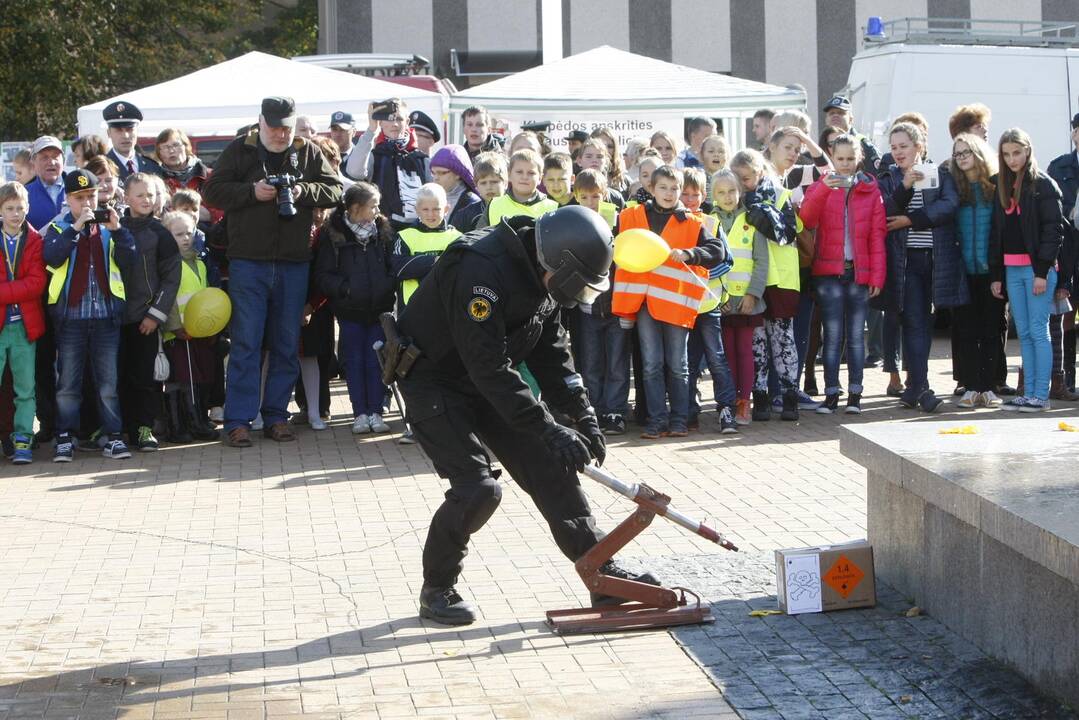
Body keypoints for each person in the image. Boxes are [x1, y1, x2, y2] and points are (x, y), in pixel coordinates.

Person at [396, 204, 655, 624]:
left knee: (552, 468)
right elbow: (489, 366)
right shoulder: (480, 271)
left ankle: (601, 575)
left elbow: (552, 353)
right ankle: (437, 589)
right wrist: (549, 429)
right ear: (558, 260)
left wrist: (581, 414)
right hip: (434, 380)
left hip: (487, 379)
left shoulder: (544, 273)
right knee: (478, 489)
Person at [202, 96, 343, 447]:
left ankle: (277, 416)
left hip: (294, 263)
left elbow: (336, 188)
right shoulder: (240, 149)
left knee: (285, 344)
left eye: (287, 128)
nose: (281, 134)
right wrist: (252, 192)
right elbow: (212, 191)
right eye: (275, 127)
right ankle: (238, 421)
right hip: (248, 263)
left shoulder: (307, 150)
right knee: (246, 343)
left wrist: (301, 190)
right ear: (261, 122)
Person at [612, 165, 729, 439]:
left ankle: (679, 420)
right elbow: (612, 245)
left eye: (674, 188)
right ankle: (656, 421)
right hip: (643, 304)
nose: (669, 193)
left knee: (678, 365)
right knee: (651, 365)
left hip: (675, 304)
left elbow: (718, 251)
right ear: (651, 189)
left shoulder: (693, 221)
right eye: (663, 187)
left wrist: (690, 254)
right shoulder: (629, 216)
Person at [42, 169, 137, 462]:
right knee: (67, 384)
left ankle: (113, 436)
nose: (86, 203)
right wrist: (76, 228)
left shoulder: (110, 228)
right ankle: (65, 437)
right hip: (71, 318)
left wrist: (119, 230)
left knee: (108, 383)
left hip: (105, 316)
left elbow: (129, 259)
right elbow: (52, 257)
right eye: (79, 198)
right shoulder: (59, 228)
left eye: (91, 196)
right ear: (68, 200)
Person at [874, 122, 967, 413]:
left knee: (926, 324)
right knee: (914, 322)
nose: (899, 152)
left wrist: (912, 220)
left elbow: (950, 205)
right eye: (894, 147)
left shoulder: (940, 174)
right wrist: (904, 186)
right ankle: (922, 388)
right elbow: (885, 213)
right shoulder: (889, 178)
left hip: (938, 258)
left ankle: (914, 388)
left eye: (904, 146)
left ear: (919, 146)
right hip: (907, 262)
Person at [799, 135, 887, 415]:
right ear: (831, 157)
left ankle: (855, 395)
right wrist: (824, 188)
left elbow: (877, 235)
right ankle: (831, 394)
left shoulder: (870, 190)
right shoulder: (821, 186)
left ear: (858, 158)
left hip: (858, 273)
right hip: (828, 273)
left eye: (850, 159)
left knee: (857, 337)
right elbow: (807, 220)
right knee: (832, 335)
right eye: (840, 159)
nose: (846, 165)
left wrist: (876, 276)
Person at [312, 182, 396, 434]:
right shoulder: (333, 235)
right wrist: (345, 289)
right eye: (373, 206)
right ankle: (360, 412)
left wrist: (386, 285)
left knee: (378, 362)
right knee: (355, 362)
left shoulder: (384, 233)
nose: (377, 210)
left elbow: (393, 266)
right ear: (356, 208)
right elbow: (323, 275)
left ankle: (377, 412)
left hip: (380, 311)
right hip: (350, 313)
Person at [991, 128, 1065, 412]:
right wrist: (997, 275)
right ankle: (1029, 393)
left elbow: (1053, 231)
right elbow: (999, 234)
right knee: (1024, 332)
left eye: (1017, 152)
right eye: (1007, 154)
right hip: (1012, 270)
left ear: (1028, 150)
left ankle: (1040, 396)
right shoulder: (1001, 184)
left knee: (1038, 329)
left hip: (1037, 271)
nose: (1012, 159)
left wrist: (1042, 272)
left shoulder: (1043, 185)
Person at [729, 149, 801, 422]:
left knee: (783, 340)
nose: (743, 184)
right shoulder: (736, 202)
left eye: (746, 178)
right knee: (756, 342)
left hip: (781, 280)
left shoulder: (781, 195)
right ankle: (759, 397)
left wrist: (767, 215)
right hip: (750, 281)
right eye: (738, 179)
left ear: (759, 172)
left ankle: (790, 395)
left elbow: (790, 233)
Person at [115, 173, 180, 451]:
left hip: (145, 319)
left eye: (150, 195)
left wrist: (156, 314)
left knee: (143, 377)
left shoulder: (160, 233)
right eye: (139, 195)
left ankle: (143, 428)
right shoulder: (112, 228)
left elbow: (171, 278)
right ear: (126, 197)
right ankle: (116, 429)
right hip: (114, 318)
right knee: (115, 376)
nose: (146, 200)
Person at [949, 133, 1005, 409]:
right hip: (962, 273)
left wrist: (999, 272)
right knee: (966, 330)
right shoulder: (955, 190)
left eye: (966, 152)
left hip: (990, 272)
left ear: (979, 153)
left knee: (991, 330)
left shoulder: (995, 188)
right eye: (957, 154)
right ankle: (971, 386)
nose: (961, 158)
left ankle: (990, 386)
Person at [679, 167, 737, 433]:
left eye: (695, 194)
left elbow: (728, 261)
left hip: (709, 305)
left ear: (704, 196)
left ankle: (726, 409)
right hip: (682, 306)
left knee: (717, 359)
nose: (690, 199)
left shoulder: (712, 223)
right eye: (685, 193)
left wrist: (702, 272)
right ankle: (690, 410)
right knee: (688, 362)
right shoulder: (673, 224)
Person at [573, 170, 628, 434]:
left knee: (617, 363)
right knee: (592, 363)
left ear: (605, 195)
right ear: (576, 197)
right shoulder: (575, 223)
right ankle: (594, 410)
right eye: (584, 197)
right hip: (588, 306)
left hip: (617, 305)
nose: (591, 202)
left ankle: (616, 411)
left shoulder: (619, 223)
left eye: (596, 196)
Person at [711, 169, 768, 425]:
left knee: (745, 351)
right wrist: (717, 296)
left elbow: (761, 262)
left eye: (732, 190)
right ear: (712, 195)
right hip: (720, 302)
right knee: (726, 354)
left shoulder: (752, 220)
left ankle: (744, 400)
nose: (727, 196)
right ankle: (728, 401)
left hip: (747, 301)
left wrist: (753, 294)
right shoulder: (708, 221)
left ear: (740, 192)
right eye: (721, 192)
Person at [159, 211, 219, 443]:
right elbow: (169, 298)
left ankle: (198, 420)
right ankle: (177, 425)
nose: (186, 238)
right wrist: (174, 326)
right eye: (179, 234)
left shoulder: (200, 262)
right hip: (178, 333)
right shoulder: (168, 264)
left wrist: (211, 327)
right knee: (180, 378)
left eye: (189, 233)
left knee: (201, 375)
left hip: (199, 332)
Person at [0, 182, 46, 464]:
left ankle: (23, 439)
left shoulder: (35, 240)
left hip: (24, 327)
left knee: (25, 389)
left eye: (20, 208)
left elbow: (37, 284)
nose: (16, 214)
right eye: (9, 208)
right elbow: (25, 285)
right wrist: (18, 288)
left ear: (28, 208)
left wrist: (5, 291)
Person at [344, 98, 430, 228]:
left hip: (419, 230)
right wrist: (371, 130)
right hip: (384, 230)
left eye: (399, 119)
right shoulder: (376, 155)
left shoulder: (421, 159)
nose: (394, 124)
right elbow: (354, 171)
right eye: (389, 119)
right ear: (381, 122)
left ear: (407, 122)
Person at [1046, 113, 1079, 397]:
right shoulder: (1059, 167)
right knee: (1065, 316)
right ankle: (1065, 379)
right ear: (1075, 135)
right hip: (1068, 253)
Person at [155, 129, 221, 223]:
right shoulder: (158, 181)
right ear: (159, 153)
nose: (171, 150)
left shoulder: (209, 176)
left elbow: (222, 209)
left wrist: (208, 214)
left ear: (186, 147)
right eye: (165, 147)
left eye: (176, 145)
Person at [486, 149, 557, 225]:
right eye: (519, 172)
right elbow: (478, 235)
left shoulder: (553, 209)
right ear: (509, 175)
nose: (525, 177)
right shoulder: (494, 204)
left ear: (540, 178)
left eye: (531, 173)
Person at [821, 95, 882, 176]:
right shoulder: (822, 144)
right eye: (831, 113)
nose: (835, 115)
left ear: (851, 119)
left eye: (841, 113)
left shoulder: (863, 145)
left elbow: (876, 177)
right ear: (826, 120)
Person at [102, 101, 162, 180]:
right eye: (119, 130)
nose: (125, 136)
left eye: (130, 129)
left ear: (137, 131)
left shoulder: (152, 166)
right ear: (109, 133)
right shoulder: (99, 167)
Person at [429, 145, 483, 230]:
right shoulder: (430, 199)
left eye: (442, 173)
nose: (436, 178)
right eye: (433, 173)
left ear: (458, 173)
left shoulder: (472, 203)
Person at [25, 136, 66, 232]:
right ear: (33, 162)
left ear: (63, 161)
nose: (51, 162)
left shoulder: (77, 189)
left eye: (56, 157)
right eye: (44, 157)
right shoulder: (24, 193)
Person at [472, 152, 507, 230]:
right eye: (483, 183)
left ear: (505, 183)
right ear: (476, 186)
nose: (489, 187)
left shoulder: (514, 208)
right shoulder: (466, 215)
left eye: (494, 182)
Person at [590, 127, 629, 195]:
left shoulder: (624, 179)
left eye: (610, 146)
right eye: (601, 145)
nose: (606, 150)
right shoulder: (579, 176)